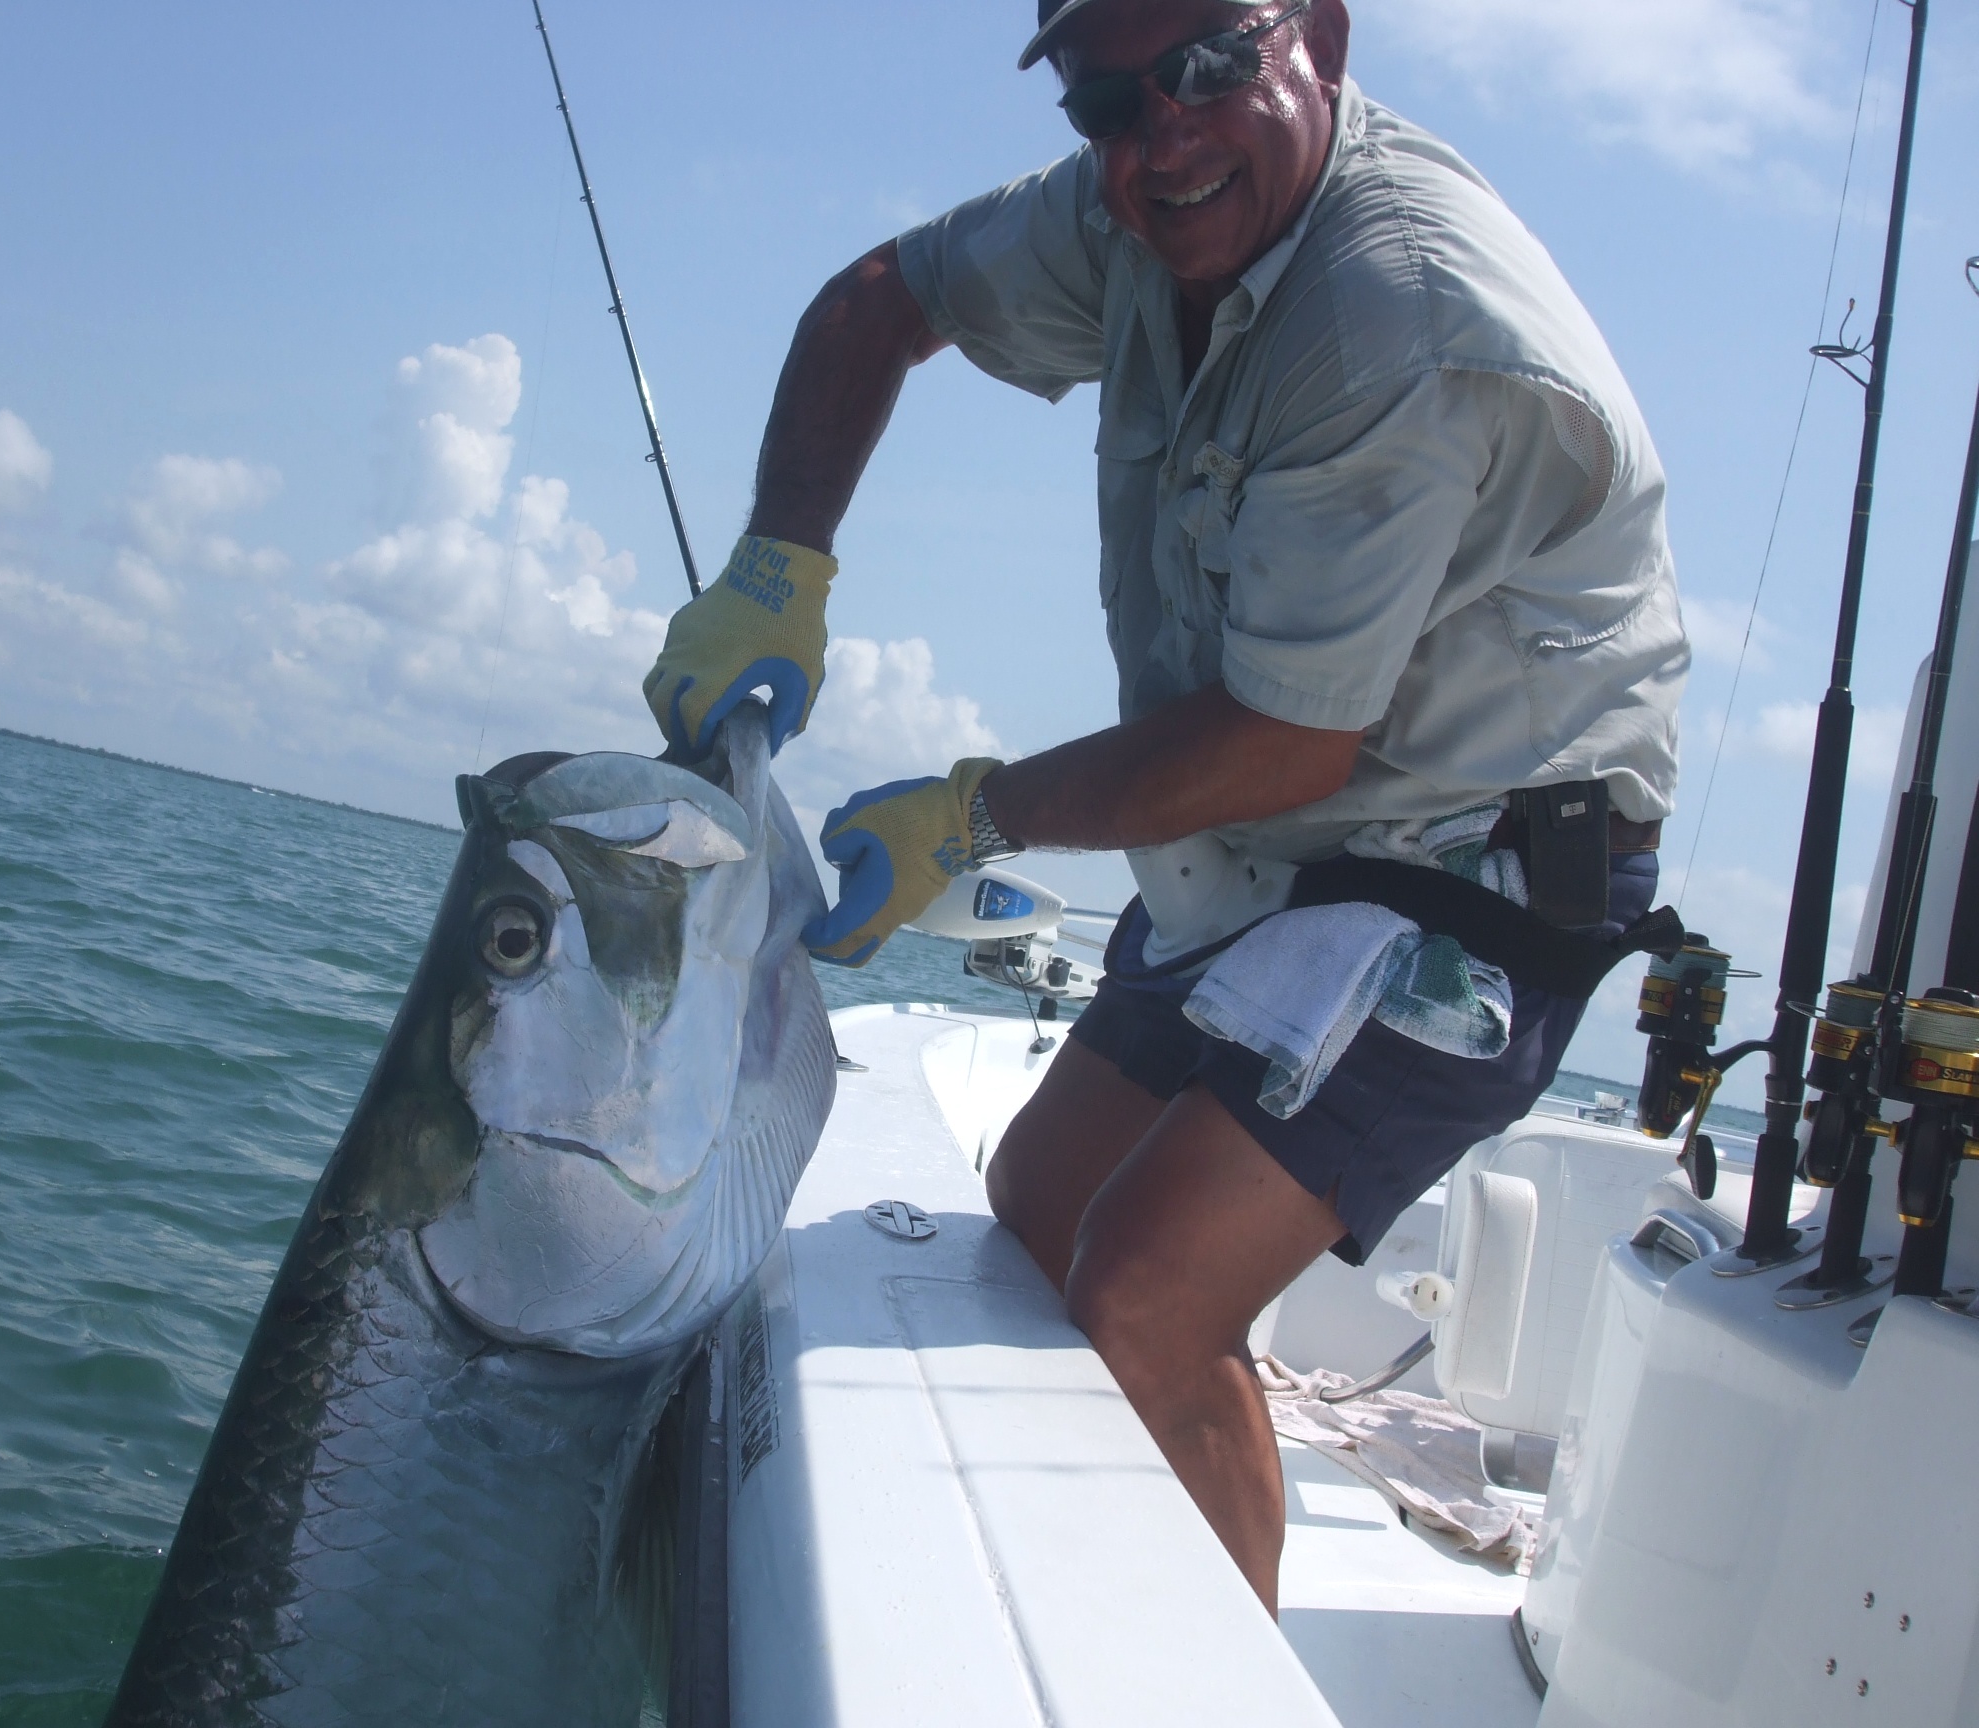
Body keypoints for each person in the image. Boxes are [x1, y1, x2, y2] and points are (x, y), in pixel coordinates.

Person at [642, 0, 1687, 1614]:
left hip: (1469, 864)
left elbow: (1285, 746)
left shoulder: (1394, 313)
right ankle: (1152, 1565)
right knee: (1046, 1204)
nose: (1164, 140)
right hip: (1273, 849)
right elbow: (877, 304)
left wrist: (971, 818)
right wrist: (778, 566)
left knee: (1144, 1288)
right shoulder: (1131, 202)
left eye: (1210, 64)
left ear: (1317, 39)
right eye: (1110, 102)